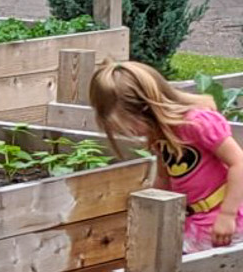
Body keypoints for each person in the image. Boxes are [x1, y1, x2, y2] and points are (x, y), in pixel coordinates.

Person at [90, 60, 243, 253]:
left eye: (128, 127)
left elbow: (239, 163)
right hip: (193, 221)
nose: (130, 134)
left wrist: (227, 215)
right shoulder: (159, 134)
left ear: (145, 108)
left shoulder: (197, 123)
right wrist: (149, 209)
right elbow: (164, 178)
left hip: (226, 218)